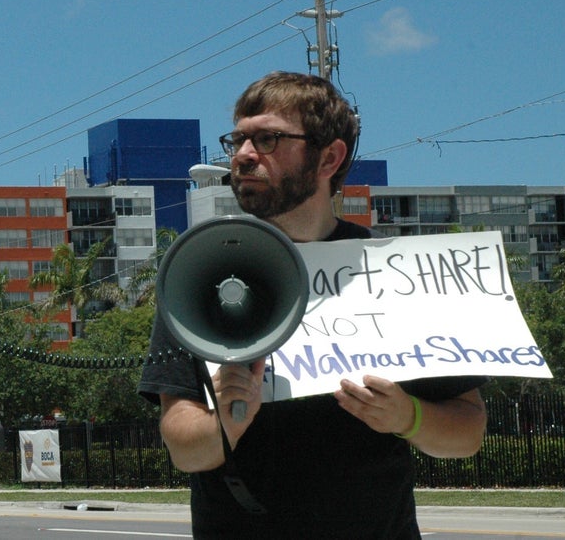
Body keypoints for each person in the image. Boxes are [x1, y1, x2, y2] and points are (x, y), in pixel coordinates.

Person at [137, 71, 488, 539]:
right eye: (237, 139)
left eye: (267, 139)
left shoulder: (396, 274)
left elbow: (468, 431)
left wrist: (409, 416)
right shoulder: (199, 271)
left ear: (329, 157)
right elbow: (183, 449)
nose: (243, 155)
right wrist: (223, 416)